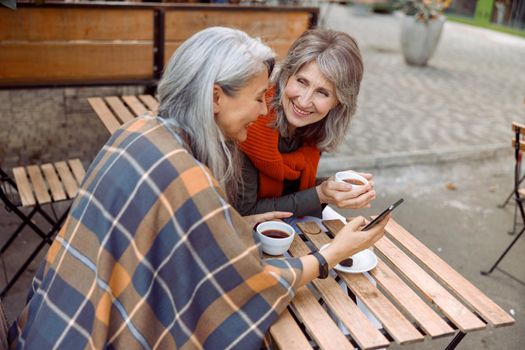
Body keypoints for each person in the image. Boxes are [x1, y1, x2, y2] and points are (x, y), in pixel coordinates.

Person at [8, 27, 389, 349]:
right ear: (216, 97)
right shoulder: (187, 173)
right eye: (259, 98)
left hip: (47, 323)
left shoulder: (140, 130)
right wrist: (333, 253)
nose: (263, 111)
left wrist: (240, 220)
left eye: (321, 92)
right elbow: (249, 285)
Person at [236, 28, 376, 218]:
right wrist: (320, 194)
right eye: (302, 81)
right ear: (286, 75)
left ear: (338, 102)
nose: (303, 101)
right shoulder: (251, 125)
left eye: (322, 92)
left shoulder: (315, 126)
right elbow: (244, 213)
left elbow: (290, 189)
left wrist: (335, 188)